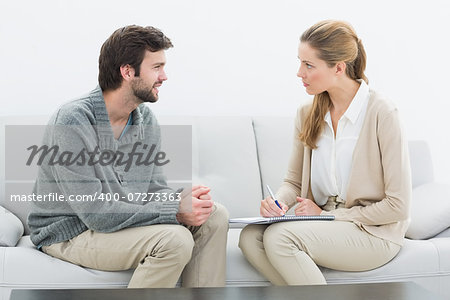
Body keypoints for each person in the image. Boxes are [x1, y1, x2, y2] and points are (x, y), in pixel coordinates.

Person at [27, 25, 229, 288]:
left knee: (214, 214)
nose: (164, 76)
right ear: (127, 71)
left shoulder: (145, 119)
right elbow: (96, 212)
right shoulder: (73, 121)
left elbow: (152, 189)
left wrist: (180, 199)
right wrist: (174, 211)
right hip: (71, 233)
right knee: (174, 240)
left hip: (112, 225)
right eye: (156, 67)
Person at [238, 20, 411, 285]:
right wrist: (280, 203)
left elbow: (397, 206)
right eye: (300, 62)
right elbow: (293, 182)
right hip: (325, 222)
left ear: (338, 68)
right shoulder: (307, 113)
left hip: (373, 232)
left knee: (281, 238)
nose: (299, 72)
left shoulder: (381, 112)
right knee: (250, 237)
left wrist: (328, 216)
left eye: (309, 65)